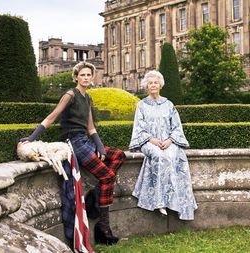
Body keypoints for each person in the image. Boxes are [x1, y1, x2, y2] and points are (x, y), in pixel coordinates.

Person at [19, 61, 125, 245]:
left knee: (119, 155)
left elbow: (91, 128)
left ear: (92, 77)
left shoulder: (88, 98)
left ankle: (95, 194)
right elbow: (52, 117)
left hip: (85, 141)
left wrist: (99, 146)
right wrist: (32, 137)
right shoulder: (70, 95)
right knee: (107, 177)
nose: (85, 78)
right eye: (82, 75)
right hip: (74, 142)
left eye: (88, 75)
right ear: (76, 77)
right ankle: (103, 228)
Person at [129, 70, 197, 220]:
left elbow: (177, 127)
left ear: (160, 85)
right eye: (150, 83)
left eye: (156, 83)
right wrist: (151, 140)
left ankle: (178, 202)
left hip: (168, 141)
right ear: (146, 86)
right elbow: (139, 128)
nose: (153, 85)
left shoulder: (169, 104)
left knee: (176, 156)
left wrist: (170, 140)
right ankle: (160, 201)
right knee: (159, 156)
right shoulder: (141, 105)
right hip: (148, 142)